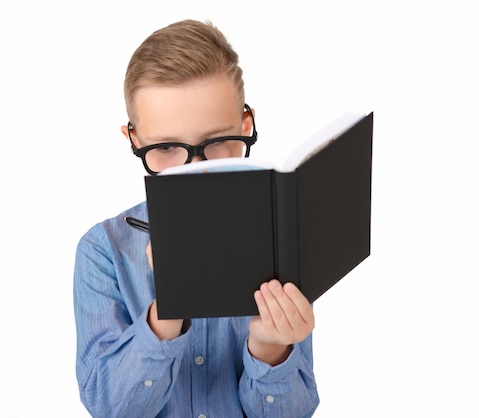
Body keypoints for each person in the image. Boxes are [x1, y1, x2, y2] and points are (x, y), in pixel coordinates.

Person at [74, 19, 319, 418]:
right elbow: (110, 408)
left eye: (218, 142)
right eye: (167, 147)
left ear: (246, 125)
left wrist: (271, 348)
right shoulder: (104, 250)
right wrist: (168, 309)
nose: (196, 170)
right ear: (135, 140)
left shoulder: (280, 241)